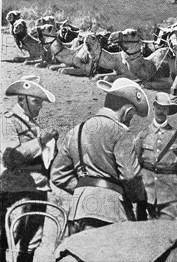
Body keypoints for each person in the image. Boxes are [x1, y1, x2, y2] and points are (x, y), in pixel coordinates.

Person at [51, 78, 149, 235]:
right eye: (131, 117)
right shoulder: (120, 133)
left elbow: (57, 174)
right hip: (110, 212)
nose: (130, 122)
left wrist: (84, 188)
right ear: (127, 111)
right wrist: (140, 198)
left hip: (78, 210)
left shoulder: (76, 131)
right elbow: (130, 176)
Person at [1, 76, 58, 262]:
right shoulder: (8, 122)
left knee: (31, 243)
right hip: (17, 190)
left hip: (39, 190)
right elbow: (11, 158)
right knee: (10, 238)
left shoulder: (33, 124)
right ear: (20, 99)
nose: (39, 106)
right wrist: (41, 141)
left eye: (40, 102)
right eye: (35, 101)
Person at [134, 93, 177, 220]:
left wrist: (169, 176)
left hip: (169, 192)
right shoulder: (143, 135)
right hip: (146, 192)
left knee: (167, 228)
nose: (161, 112)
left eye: (164, 109)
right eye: (159, 108)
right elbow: (136, 161)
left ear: (168, 110)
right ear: (153, 107)